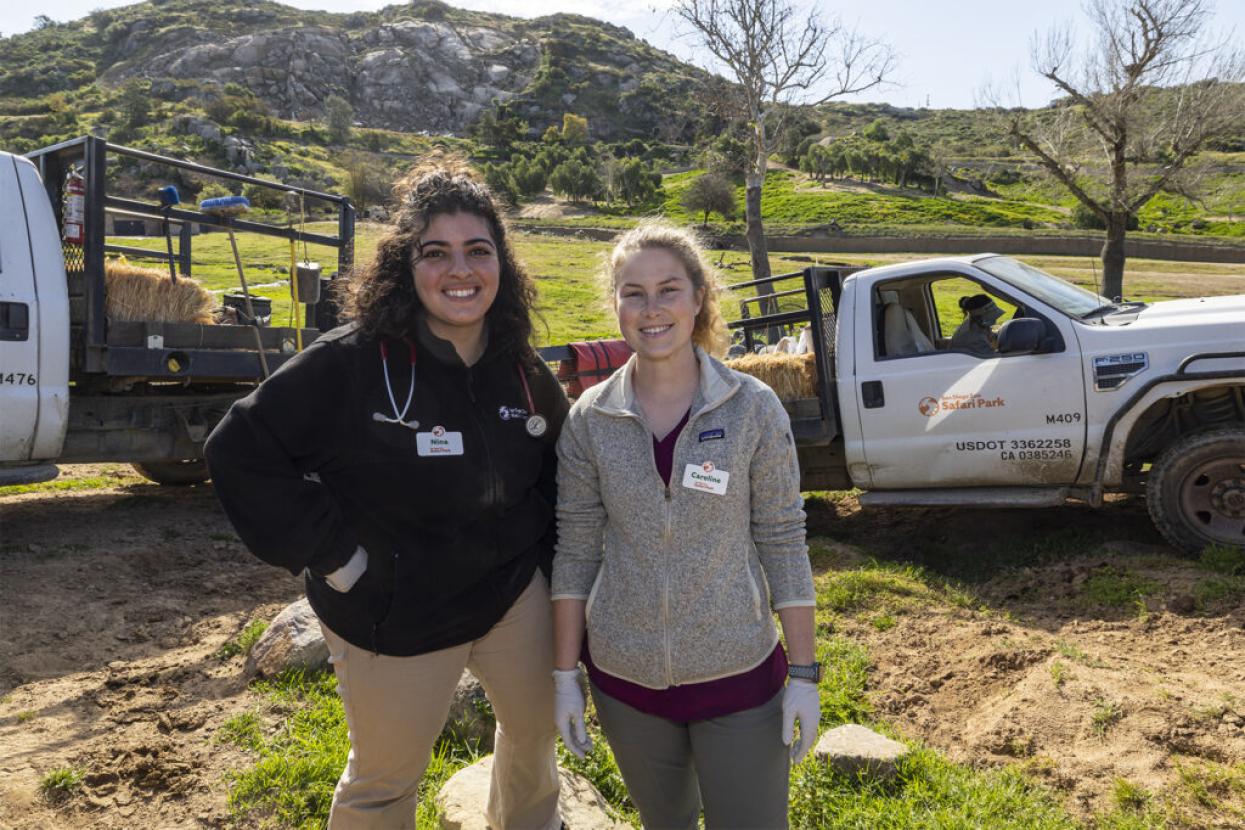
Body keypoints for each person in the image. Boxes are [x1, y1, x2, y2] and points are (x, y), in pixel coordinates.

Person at [204, 156, 569, 830]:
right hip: (395, 614)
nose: (460, 270)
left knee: (535, 740)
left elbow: (556, 470)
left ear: (502, 264)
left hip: (511, 594)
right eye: (437, 253)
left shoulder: (519, 367)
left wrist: (552, 570)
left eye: (477, 250)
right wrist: (336, 557)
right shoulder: (352, 362)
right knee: (383, 782)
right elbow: (240, 449)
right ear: (406, 266)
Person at [550, 221, 819, 830]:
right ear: (615, 303)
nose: (651, 309)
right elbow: (576, 550)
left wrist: (803, 674)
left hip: (740, 679)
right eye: (633, 292)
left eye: (669, 289)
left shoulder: (752, 408)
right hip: (626, 684)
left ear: (699, 298)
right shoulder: (590, 420)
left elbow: (783, 539)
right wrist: (565, 675)